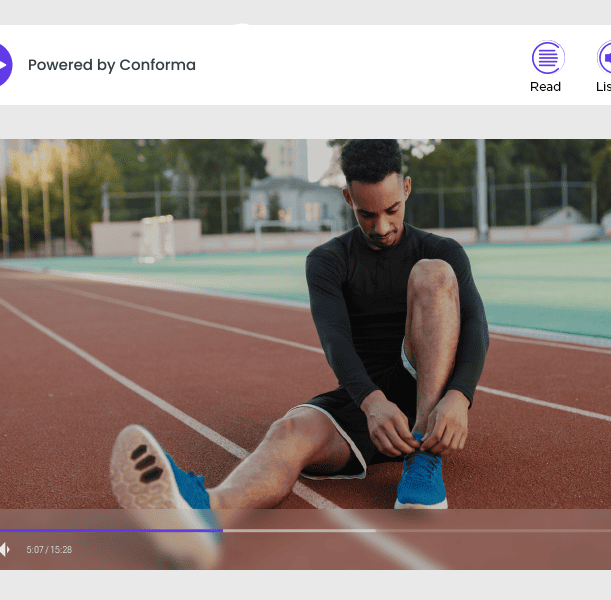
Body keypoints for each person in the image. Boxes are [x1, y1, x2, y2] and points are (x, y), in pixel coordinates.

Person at [109, 139, 489, 566]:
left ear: (407, 188)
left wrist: (459, 395)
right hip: (364, 399)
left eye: (392, 210)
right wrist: (371, 403)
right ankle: (205, 514)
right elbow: (335, 343)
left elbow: (475, 326)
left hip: (425, 386)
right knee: (288, 433)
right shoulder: (327, 261)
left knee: (434, 274)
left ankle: (423, 454)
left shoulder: (442, 251)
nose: (381, 226)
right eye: (366, 213)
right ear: (347, 198)